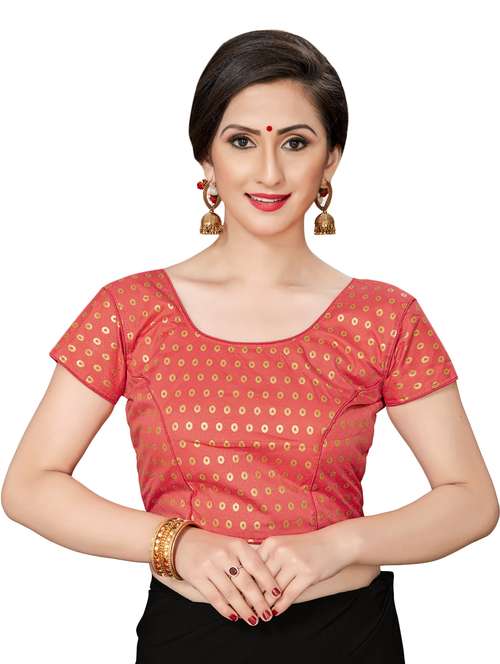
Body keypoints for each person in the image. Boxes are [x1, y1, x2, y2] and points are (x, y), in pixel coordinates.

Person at [2, 29, 498, 664]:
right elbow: (29, 485)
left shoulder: (384, 316)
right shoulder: (131, 309)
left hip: (348, 634)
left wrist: (338, 544)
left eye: (295, 142)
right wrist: (177, 543)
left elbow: (470, 499)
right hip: (188, 638)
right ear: (207, 160)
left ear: (331, 160)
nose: (269, 171)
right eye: (242, 142)